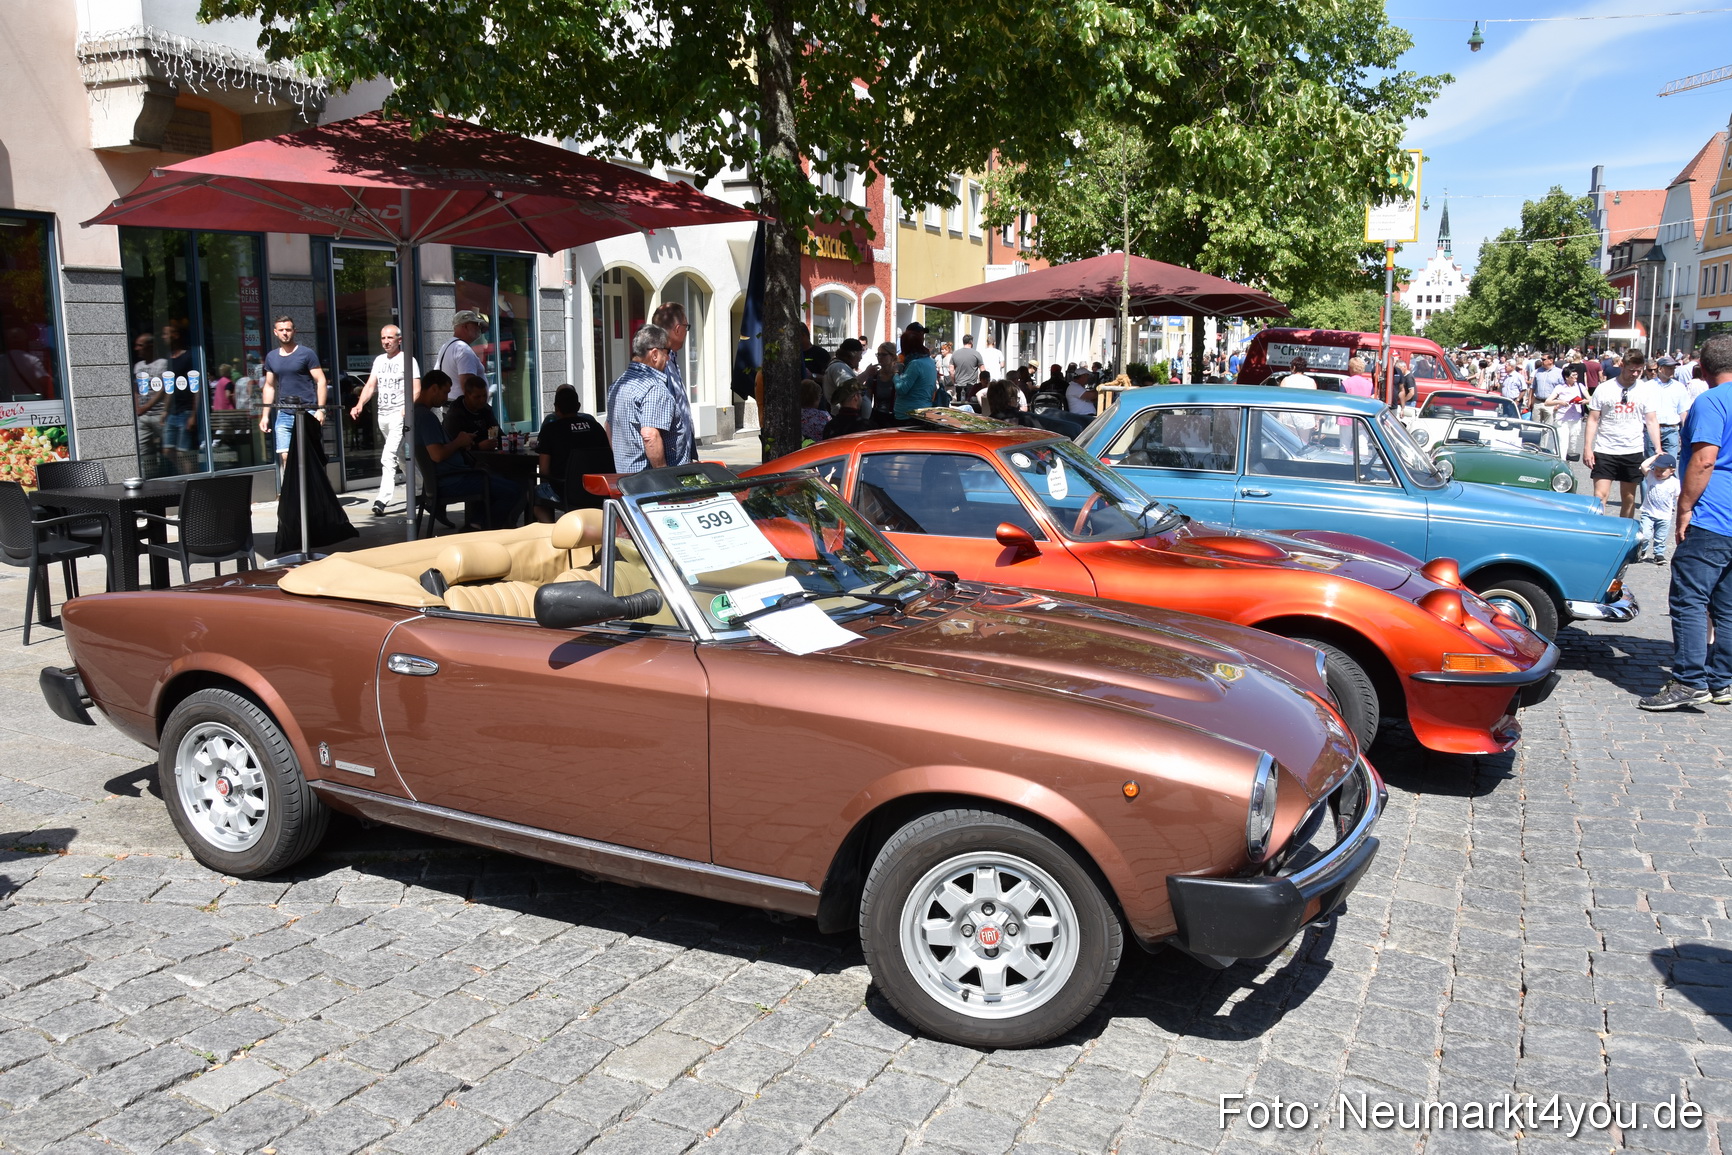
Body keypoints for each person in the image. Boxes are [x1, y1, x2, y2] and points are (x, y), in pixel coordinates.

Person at [1639, 335, 1732, 710]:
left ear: (1702, 370)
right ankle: (1721, 680)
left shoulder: (1711, 401)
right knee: (1726, 605)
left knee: (1690, 597)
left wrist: (1686, 507)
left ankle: (1689, 680)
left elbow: (1704, 459)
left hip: (1715, 514)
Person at [412, 369, 520, 529]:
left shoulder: (417, 414)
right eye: (444, 392)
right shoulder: (427, 417)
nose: (445, 398)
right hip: (451, 480)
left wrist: (461, 444)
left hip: (450, 477)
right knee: (512, 489)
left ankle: (476, 523)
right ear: (433, 388)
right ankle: (483, 527)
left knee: (495, 480)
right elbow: (437, 455)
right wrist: (459, 442)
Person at [349, 325, 420, 517]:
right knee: (399, 456)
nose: (386, 341)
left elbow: (416, 388)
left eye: (390, 338)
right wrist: (359, 404)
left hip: (399, 416)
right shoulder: (379, 360)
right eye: (383, 338)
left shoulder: (408, 360)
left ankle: (382, 499)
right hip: (383, 416)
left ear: (399, 339)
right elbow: (371, 385)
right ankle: (422, 489)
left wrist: (408, 405)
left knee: (387, 457)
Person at [1585, 351, 1664, 518]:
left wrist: (1658, 448)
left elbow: (1651, 420)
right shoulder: (1604, 389)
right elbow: (1593, 419)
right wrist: (1587, 448)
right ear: (1622, 366)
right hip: (1606, 449)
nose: (1635, 374)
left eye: (1639, 370)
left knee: (1628, 498)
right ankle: (1597, 532)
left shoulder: (1645, 390)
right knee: (1600, 496)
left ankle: (1624, 535)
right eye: (1631, 370)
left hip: (1632, 449)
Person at [607, 323, 694, 472]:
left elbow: (609, 427)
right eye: (666, 352)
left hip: (626, 480)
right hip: (652, 484)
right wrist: (663, 476)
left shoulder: (618, 384)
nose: (668, 358)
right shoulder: (654, 388)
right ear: (654, 354)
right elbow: (650, 435)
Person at [533, 384, 613, 520]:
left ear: (556, 408)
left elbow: (544, 471)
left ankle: (552, 532)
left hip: (565, 491)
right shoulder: (596, 427)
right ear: (578, 406)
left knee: (533, 493)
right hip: (597, 490)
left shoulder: (551, 430)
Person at [259, 316, 328, 469]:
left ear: (294, 331)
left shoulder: (306, 354)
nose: (285, 333)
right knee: (285, 456)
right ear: (275, 332)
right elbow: (269, 386)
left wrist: (321, 409)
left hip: (307, 411)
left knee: (310, 456)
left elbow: (321, 381)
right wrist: (265, 416)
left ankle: (314, 491)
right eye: (281, 330)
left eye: (288, 330)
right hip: (284, 413)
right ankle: (292, 492)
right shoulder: (272, 357)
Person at [1636, 452, 1680, 565]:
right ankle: (1642, 551)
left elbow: (1678, 496)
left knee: (1661, 537)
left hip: (1664, 516)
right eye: (1656, 469)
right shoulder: (1651, 476)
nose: (1658, 473)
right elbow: (1643, 466)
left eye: (1662, 470)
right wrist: (1656, 457)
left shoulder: (1675, 483)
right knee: (1645, 534)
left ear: (1672, 471)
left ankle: (1658, 554)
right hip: (1648, 512)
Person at [438, 309, 489, 397]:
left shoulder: (446, 346)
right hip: (463, 408)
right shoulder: (463, 349)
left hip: (452, 405)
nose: (479, 328)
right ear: (465, 326)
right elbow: (468, 386)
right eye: (476, 324)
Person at [1541, 369, 1588, 460]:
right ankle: (1562, 462)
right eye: (1573, 375)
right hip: (1562, 419)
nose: (1576, 377)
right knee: (1563, 442)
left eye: (1576, 375)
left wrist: (1584, 401)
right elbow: (1547, 402)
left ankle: (1568, 463)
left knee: (1572, 443)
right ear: (1566, 377)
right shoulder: (1560, 387)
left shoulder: (1580, 386)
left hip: (1576, 419)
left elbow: (1590, 398)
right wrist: (1560, 402)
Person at [1649, 356, 1691, 457]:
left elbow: (1683, 411)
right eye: (1669, 368)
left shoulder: (1679, 387)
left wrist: (1686, 432)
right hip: (1651, 430)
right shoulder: (1648, 387)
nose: (1672, 371)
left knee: (1670, 464)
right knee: (1650, 464)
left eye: (1673, 368)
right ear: (1660, 369)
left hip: (1671, 429)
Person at [444, 374, 500, 447]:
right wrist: (478, 446)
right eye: (477, 397)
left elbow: (498, 433)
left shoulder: (486, 410)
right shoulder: (455, 415)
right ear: (467, 395)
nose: (482, 400)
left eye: (485, 396)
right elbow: (452, 445)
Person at [893, 331, 938, 420]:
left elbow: (901, 389)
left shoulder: (915, 364)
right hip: (924, 410)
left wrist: (895, 373)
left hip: (909, 414)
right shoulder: (930, 361)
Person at [821, 337, 863, 407]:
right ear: (852, 354)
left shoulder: (841, 366)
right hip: (842, 414)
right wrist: (867, 373)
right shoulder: (839, 368)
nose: (860, 358)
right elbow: (849, 387)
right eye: (860, 354)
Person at [950, 334, 984, 402]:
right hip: (972, 385)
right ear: (971, 342)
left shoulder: (955, 354)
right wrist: (981, 383)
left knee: (960, 406)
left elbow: (951, 370)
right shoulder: (976, 354)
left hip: (959, 385)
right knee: (971, 405)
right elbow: (982, 370)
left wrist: (954, 382)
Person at [1531, 354, 1563, 426]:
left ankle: (1544, 438)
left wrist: (1558, 404)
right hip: (1538, 402)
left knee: (1547, 427)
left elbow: (1562, 389)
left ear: (1551, 360)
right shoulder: (1538, 371)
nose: (1541, 361)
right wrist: (1530, 400)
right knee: (1534, 426)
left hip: (1551, 403)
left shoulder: (1559, 372)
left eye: (1543, 359)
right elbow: (1533, 386)